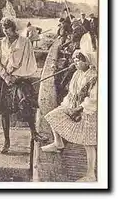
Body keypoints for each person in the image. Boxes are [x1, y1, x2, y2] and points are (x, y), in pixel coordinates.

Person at [0, 17, 48, 154]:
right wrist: (5, 76)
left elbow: (28, 61)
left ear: (14, 29)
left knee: (25, 103)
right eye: (4, 29)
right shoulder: (0, 43)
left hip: (19, 78)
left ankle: (34, 132)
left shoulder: (25, 43)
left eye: (8, 29)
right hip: (3, 79)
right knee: (4, 111)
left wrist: (16, 76)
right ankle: (6, 141)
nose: (6, 32)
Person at [41, 48, 98, 182]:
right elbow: (71, 93)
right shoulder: (77, 74)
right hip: (72, 105)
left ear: (87, 62)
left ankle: (91, 174)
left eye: (79, 61)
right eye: (75, 61)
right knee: (53, 115)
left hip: (88, 111)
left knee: (88, 143)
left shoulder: (94, 77)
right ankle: (58, 143)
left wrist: (78, 109)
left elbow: (94, 99)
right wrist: (66, 106)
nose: (76, 63)